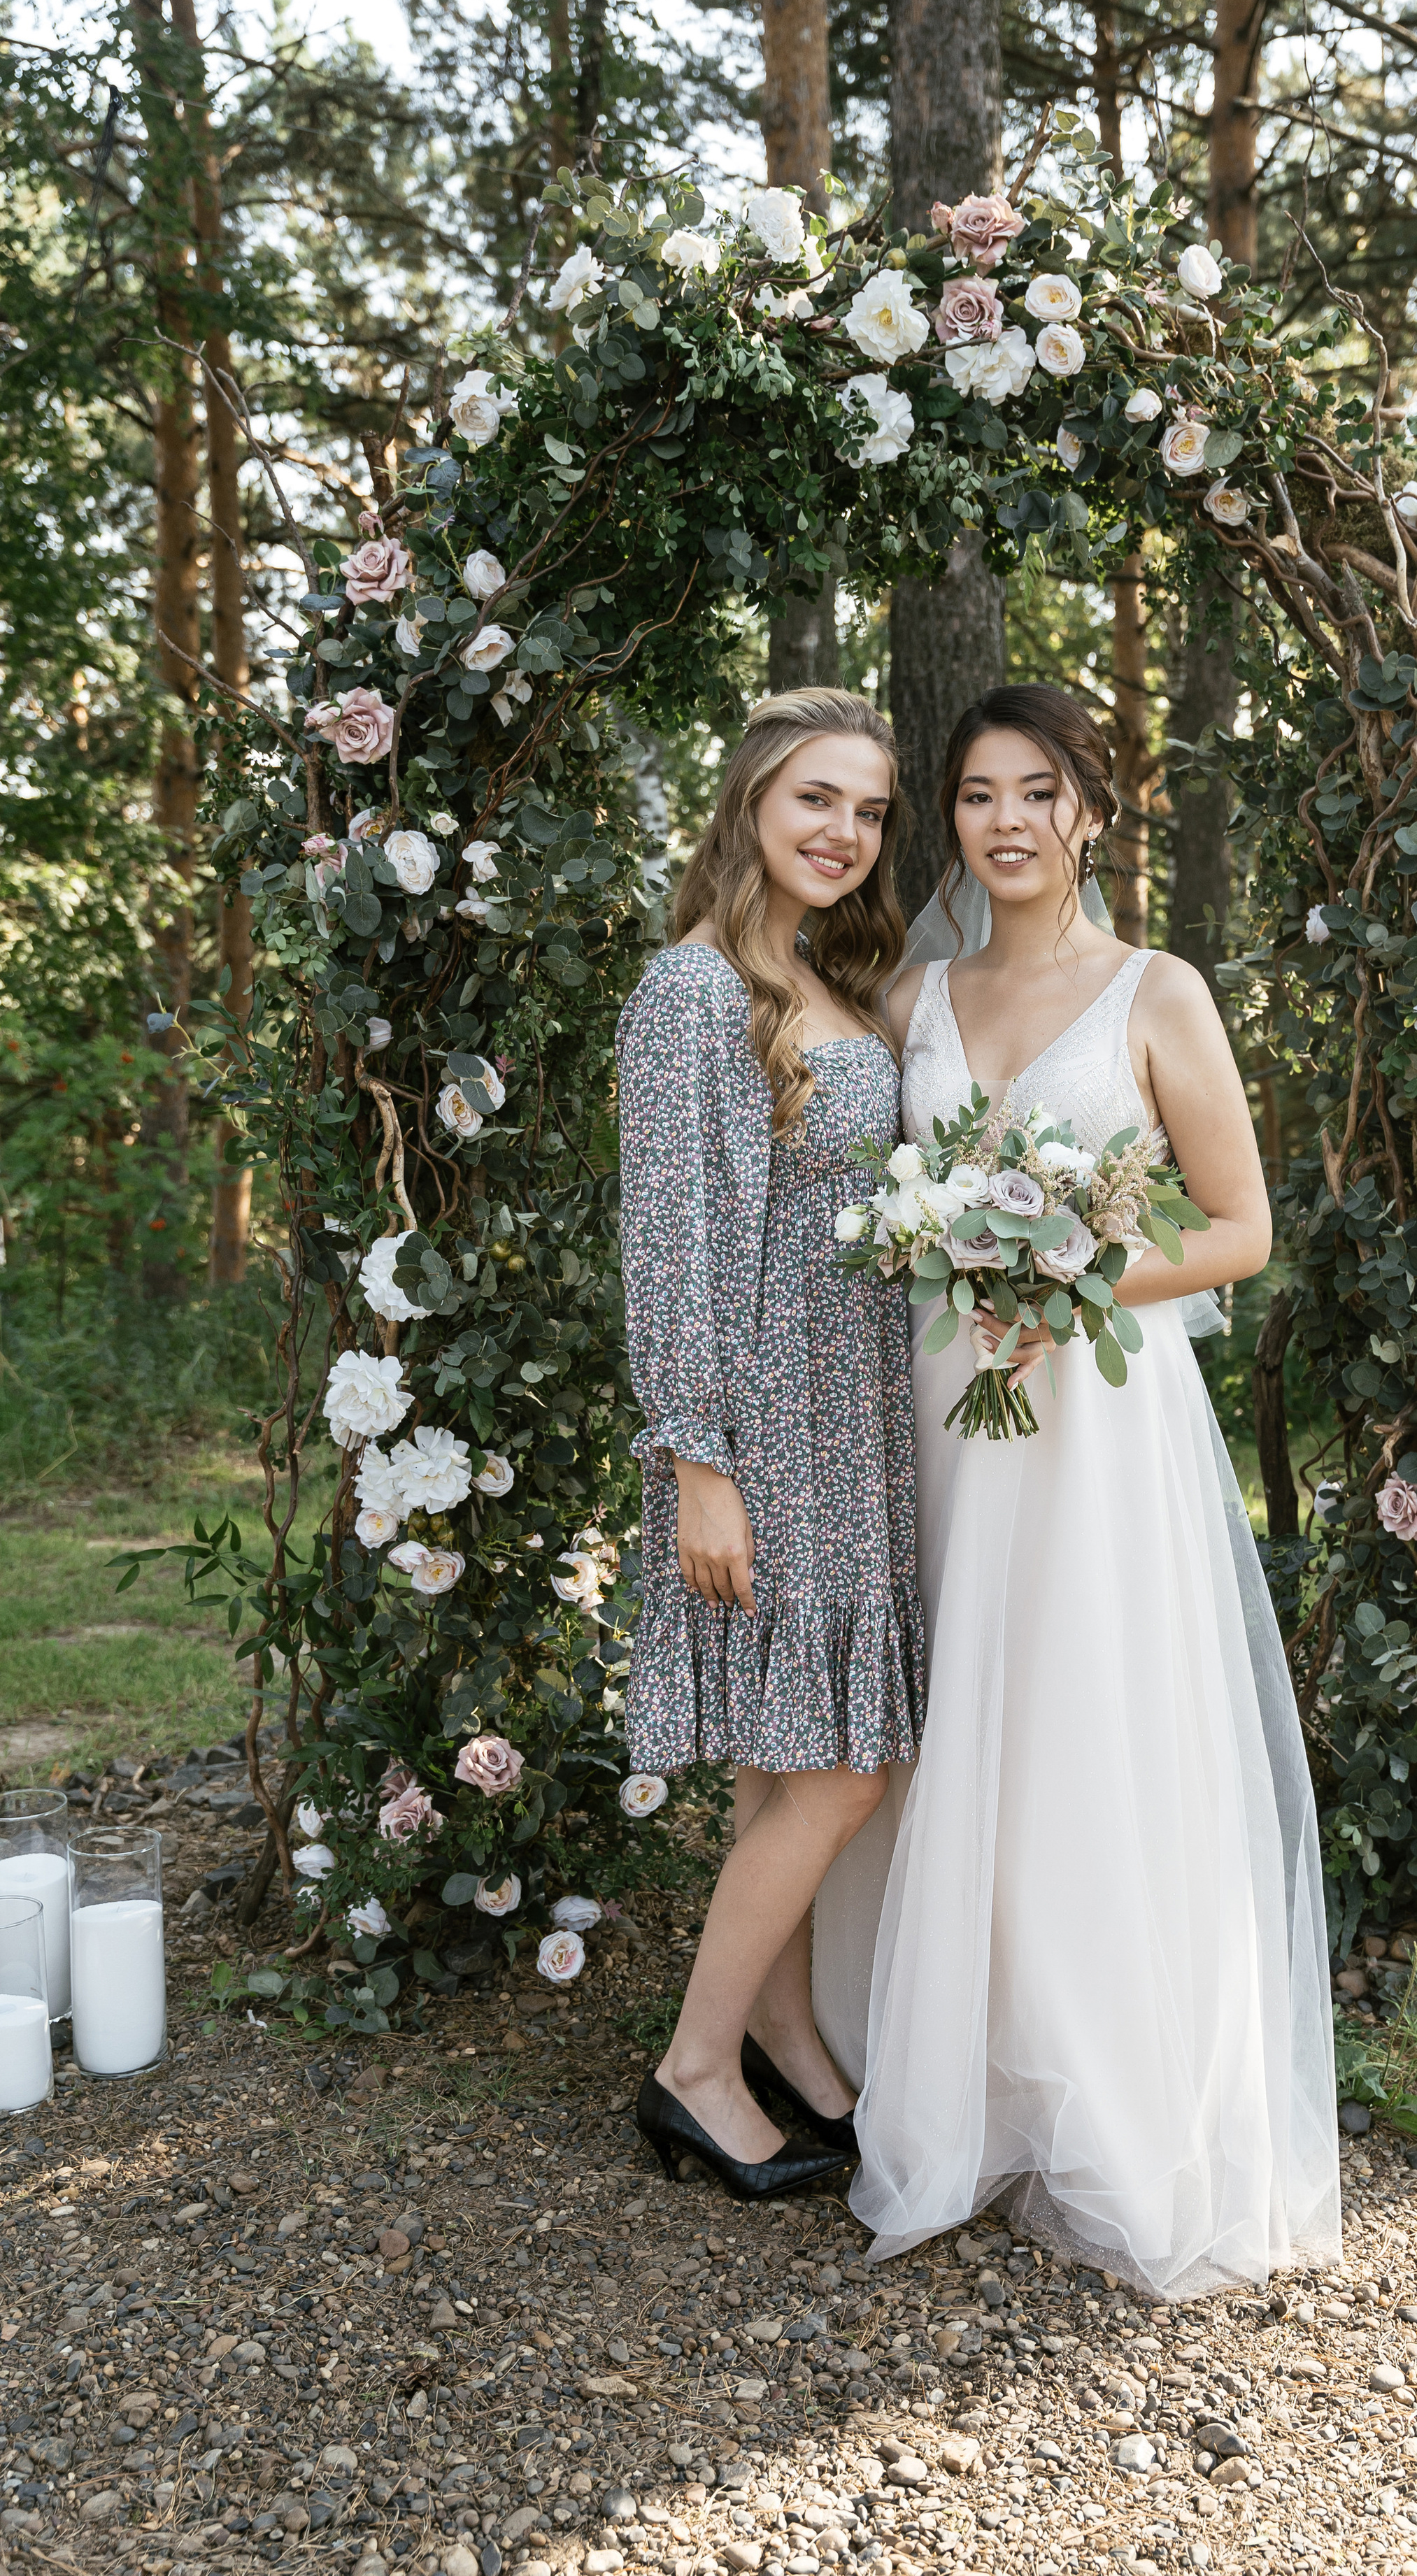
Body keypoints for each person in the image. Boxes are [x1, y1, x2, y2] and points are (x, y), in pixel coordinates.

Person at [814, 681, 1340, 2296]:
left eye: (1038, 791)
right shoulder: (913, 993)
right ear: (952, 823)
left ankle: (1102, 2082)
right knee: (951, 1715)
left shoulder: (1156, 992)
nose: (1008, 822)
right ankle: (945, 2070)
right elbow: (869, 1204)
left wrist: (1070, 1281)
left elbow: (1240, 1230)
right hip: (940, 1415)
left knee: (1083, 1719)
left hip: (1100, 1430)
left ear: (1091, 813)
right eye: (977, 796)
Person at [616, 686, 923, 2202]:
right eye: (816, 799)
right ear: (749, 800)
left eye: (866, 812)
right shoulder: (693, 992)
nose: (842, 834)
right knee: (842, 1772)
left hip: (853, 1417)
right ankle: (689, 2070)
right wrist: (697, 1459)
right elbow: (674, 1243)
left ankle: (785, 2037)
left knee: (785, 1762)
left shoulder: (815, 978)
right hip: (767, 1429)